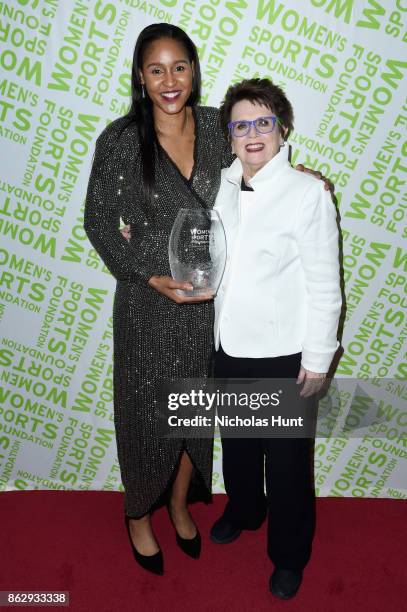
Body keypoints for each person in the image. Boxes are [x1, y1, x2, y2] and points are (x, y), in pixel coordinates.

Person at [84, 22, 332, 577]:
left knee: (193, 418)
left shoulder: (221, 126)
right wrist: (148, 275)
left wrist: (303, 174)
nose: (169, 80)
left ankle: (178, 504)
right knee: (145, 417)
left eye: (180, 66)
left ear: (194, 70)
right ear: (140, 77)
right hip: (147, 310)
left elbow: (259, 162)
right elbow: (99, 222)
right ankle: (137, 515)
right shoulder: (121, 139)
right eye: (156, 69)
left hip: (210, 313)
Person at [209, 78, 342, 600]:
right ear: (231, 136)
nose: (253, 133)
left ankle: (289, 553)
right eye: (241, 124)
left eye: (263, 122)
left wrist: (318, 357)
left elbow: (325, 283)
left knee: (287, 465)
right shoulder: (218, 183)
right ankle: (244, 508)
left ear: (282, 129)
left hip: (286, 353)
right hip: (228, 346)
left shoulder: (308, 192)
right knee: (238, 447)